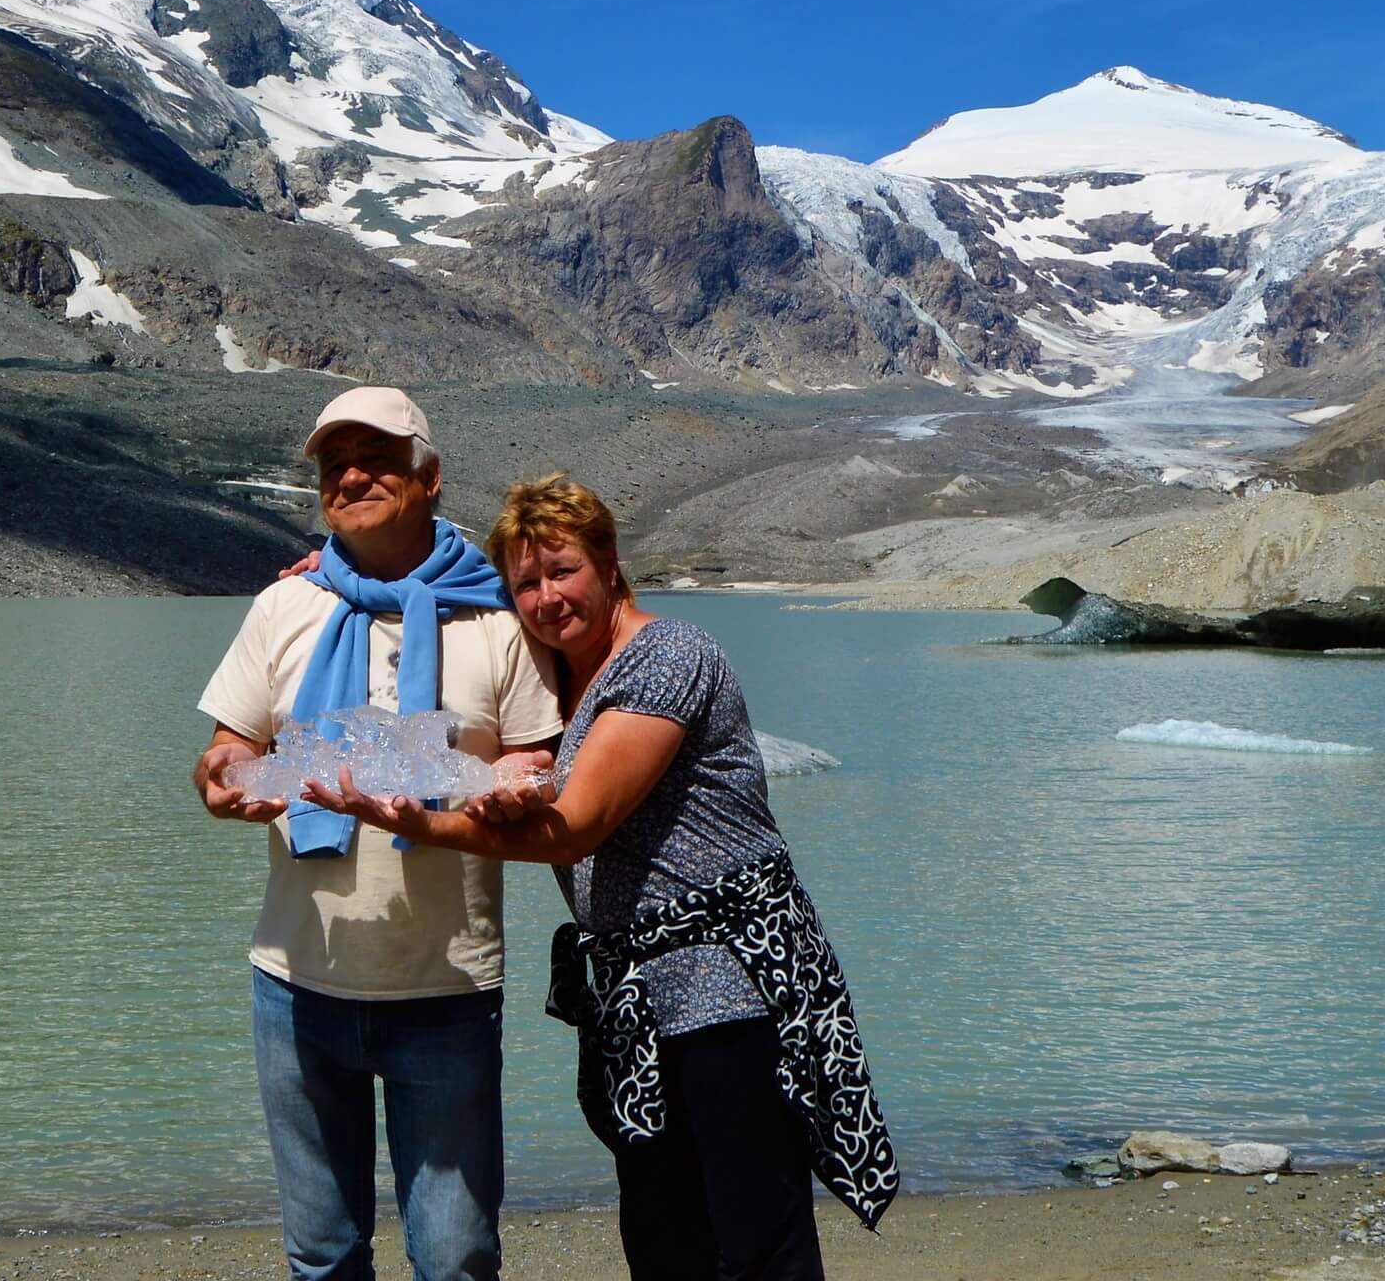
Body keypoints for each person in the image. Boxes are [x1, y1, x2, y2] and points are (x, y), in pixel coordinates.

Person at [307, 474, 897, 1281]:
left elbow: (576, 829)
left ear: (609, 562)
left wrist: (420, 824)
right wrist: (328, 568)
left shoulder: (669, 653)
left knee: (755, 1239)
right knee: (663, 1239)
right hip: (637, 998)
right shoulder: (563, 675)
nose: (545, 597)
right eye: (526, 582)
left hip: (726, 979)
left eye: (562, 570)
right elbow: (439, 583)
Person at [191, 387, 563, 1281]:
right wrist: (219, 787)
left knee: (457, 1256)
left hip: (446, 985)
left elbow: (534, 760)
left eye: (378, 460)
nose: (352, 476)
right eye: (333, 464)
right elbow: (225, 753)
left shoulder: (496, 618)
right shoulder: (284, 608)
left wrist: (502, 794)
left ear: (429, 480)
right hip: (295, 982)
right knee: (321, 1254)